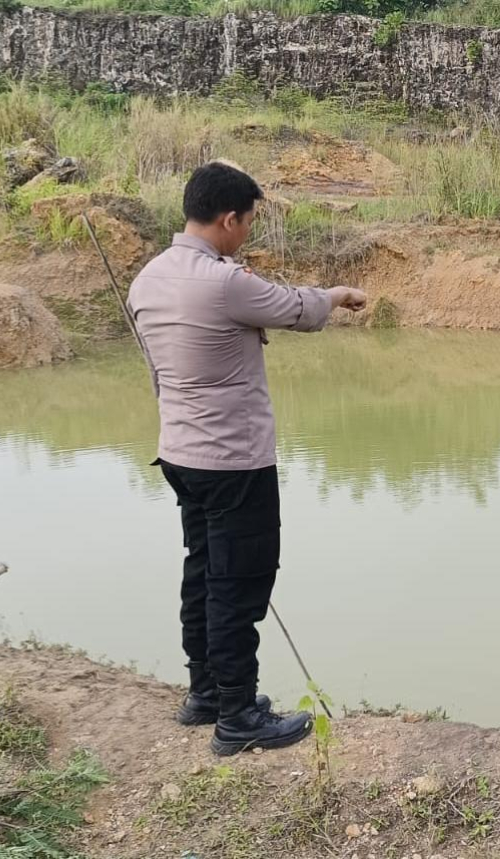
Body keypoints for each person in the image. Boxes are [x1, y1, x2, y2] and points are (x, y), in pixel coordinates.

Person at [127, 161, 367, 756]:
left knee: (203, 569)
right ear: (229, 218)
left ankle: (206, 693)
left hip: (181, 454)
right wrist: (337, 294)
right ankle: (237, 716)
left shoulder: (148, 277)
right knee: (240, 582)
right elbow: (299, 310)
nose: (249, 234)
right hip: (233, 460)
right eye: (249, 223)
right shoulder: (223, 281)